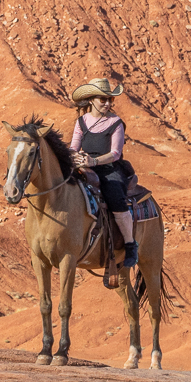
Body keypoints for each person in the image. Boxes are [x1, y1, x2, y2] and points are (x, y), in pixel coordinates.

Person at [69, 78, 138, 268]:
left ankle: (130, 244)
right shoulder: (81, 121)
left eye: (110, 100)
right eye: (103, 99)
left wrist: (94, 161)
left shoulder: (115, 122)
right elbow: (74, 146)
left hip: (109, 168)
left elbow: (115, 153)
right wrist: (75, 158)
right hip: (86, 166)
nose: (107, 103)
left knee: (116, 197)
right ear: (91, 100)